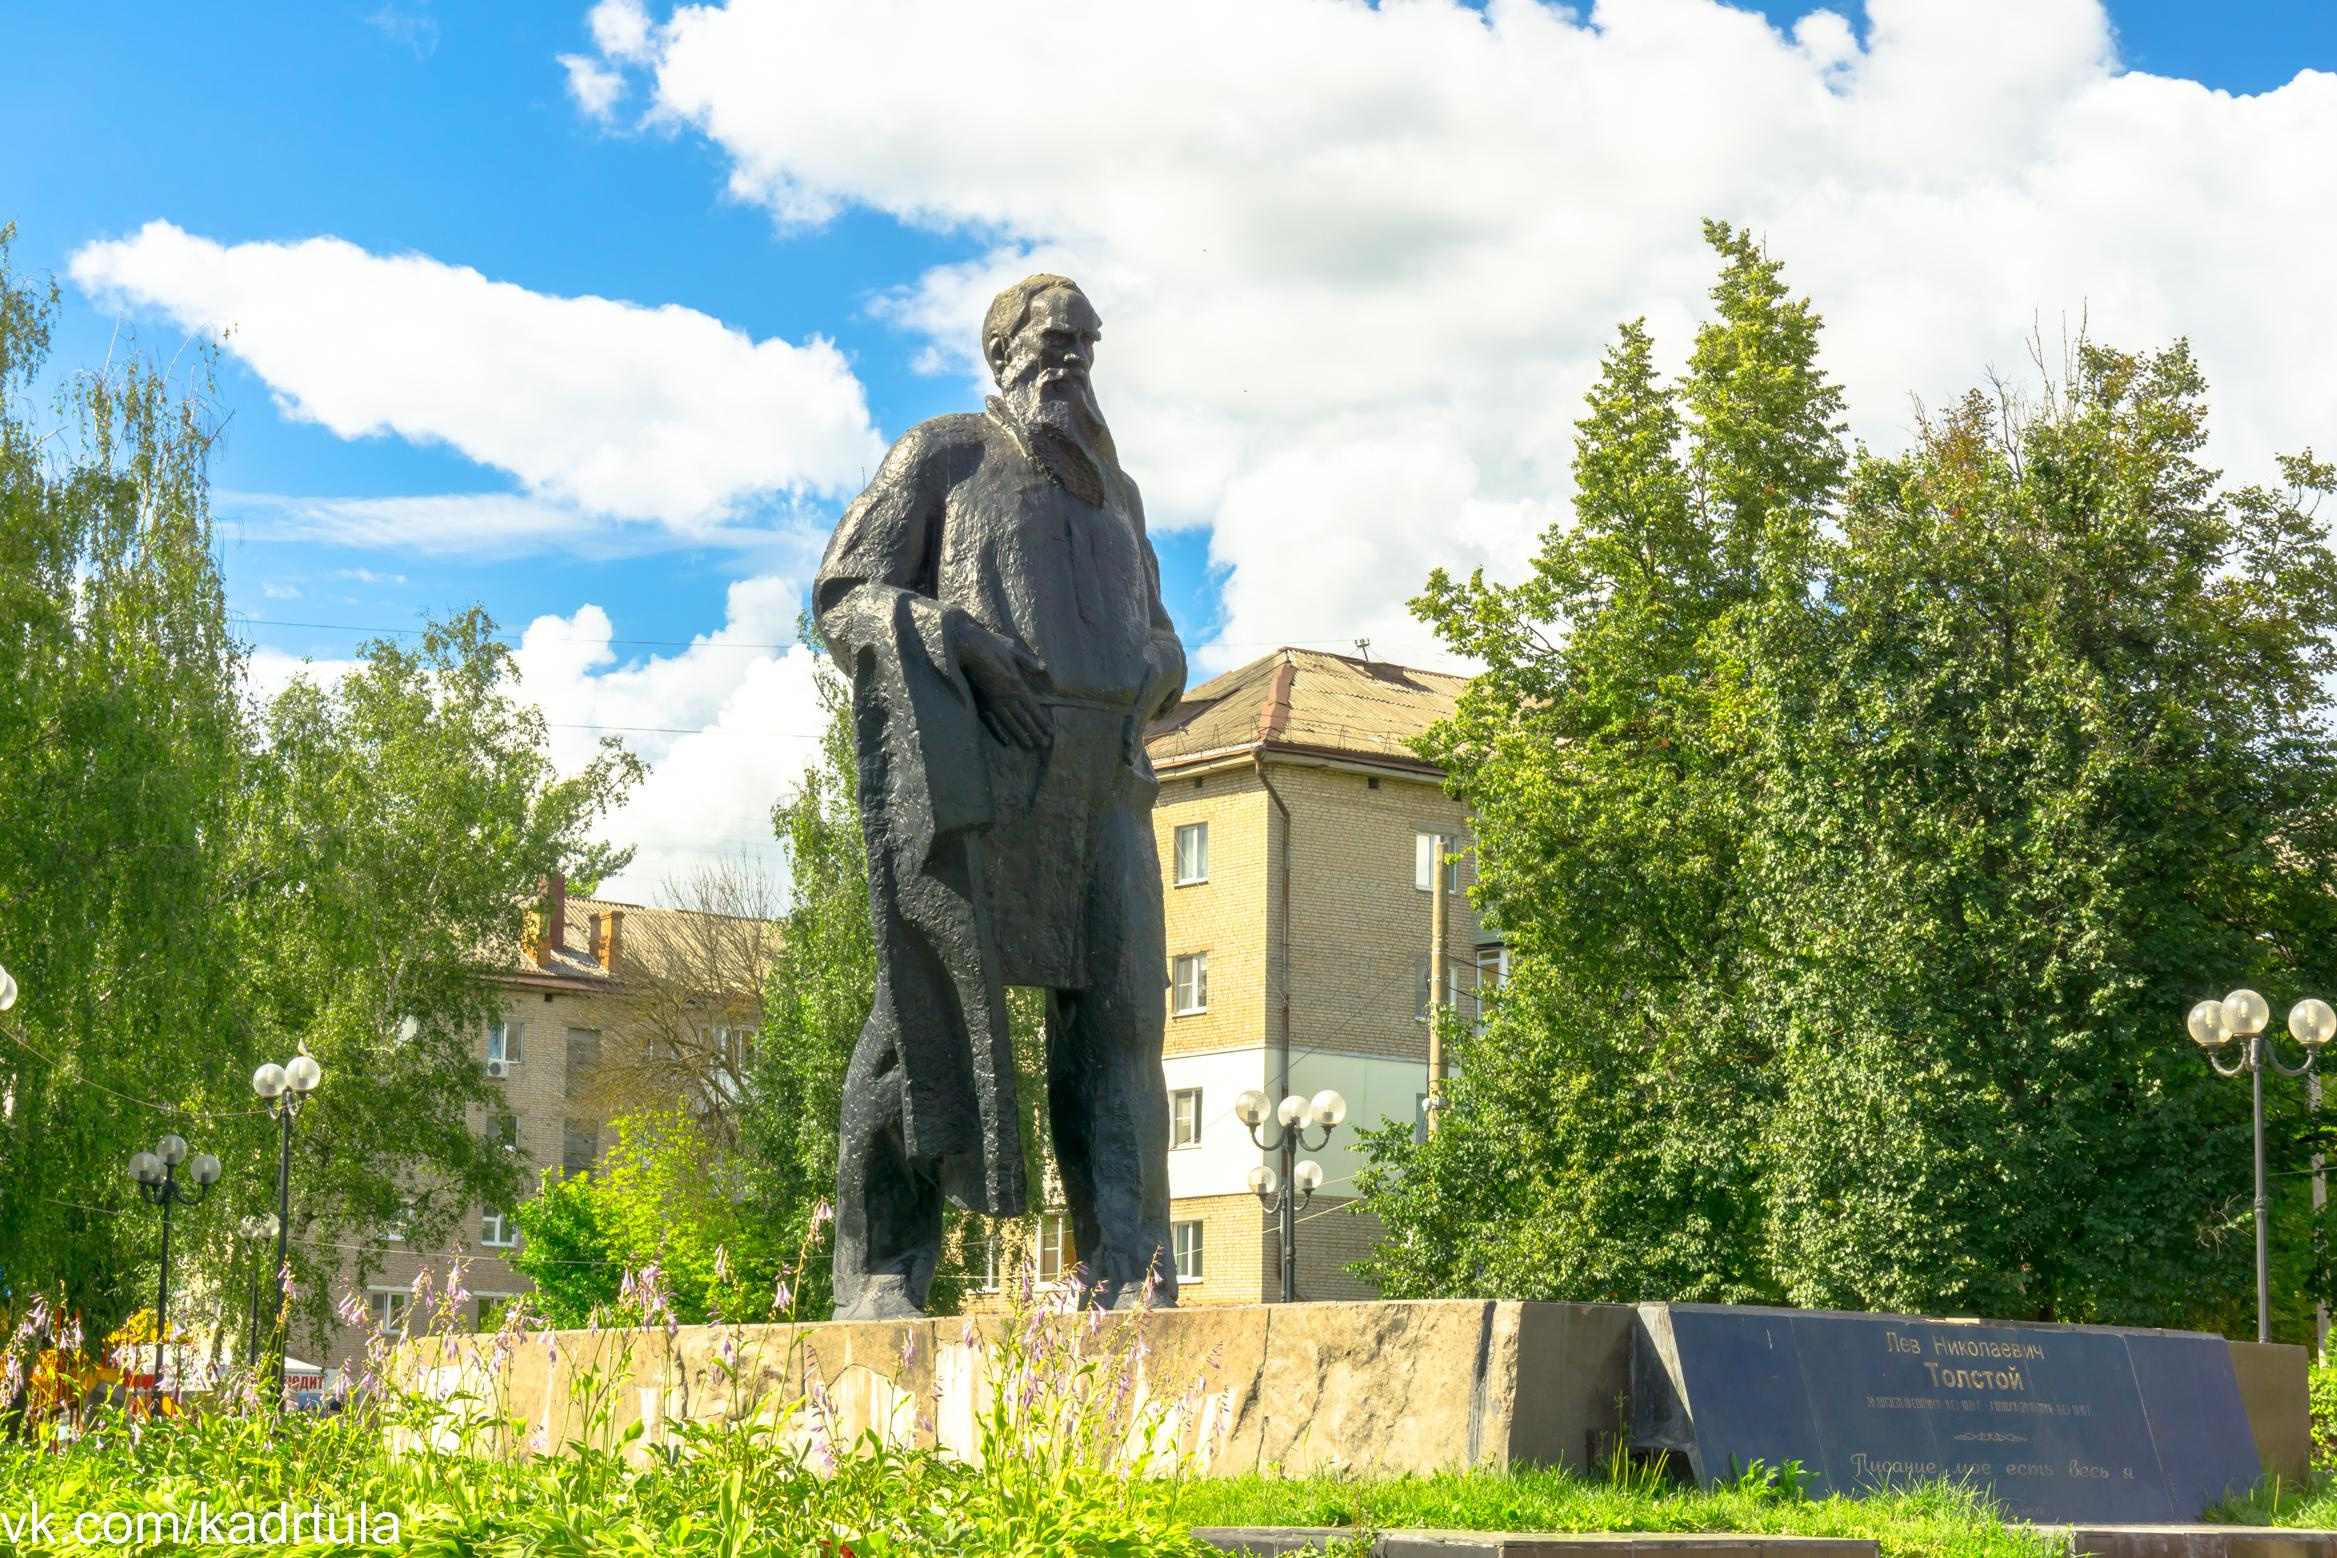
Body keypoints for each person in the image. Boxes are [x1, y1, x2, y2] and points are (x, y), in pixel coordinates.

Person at [813, 274, 1185, 1319]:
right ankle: (883, 1272)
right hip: (982, 759)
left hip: (1103, 778)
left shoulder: (1120, 496)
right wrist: (952, 639)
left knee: (1119, 1024)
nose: (1071, 361)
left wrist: (1155, 674)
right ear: (1003, 356)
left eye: (1086, 345)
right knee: (920, 1014)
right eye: (1052, 343)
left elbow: (1161, 636)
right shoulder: (940, 456)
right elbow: (846, 595)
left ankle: (1129, 1267)